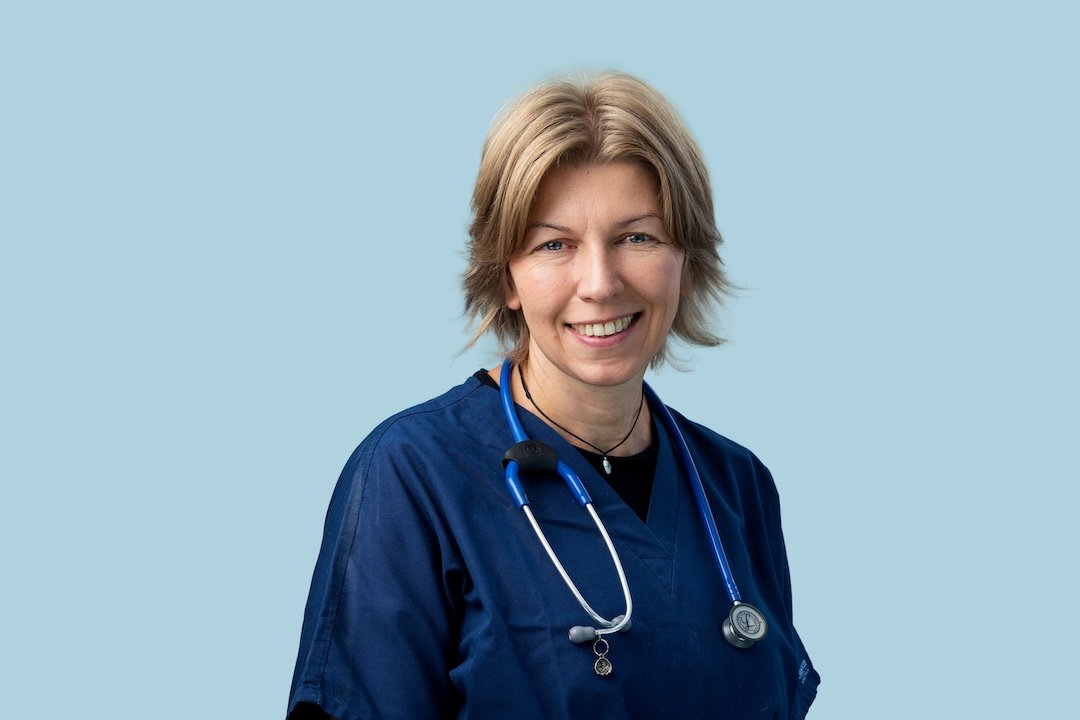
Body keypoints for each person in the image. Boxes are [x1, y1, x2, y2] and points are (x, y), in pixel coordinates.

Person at [286, 71, 819, 719]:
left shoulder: (737, 487)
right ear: (506, 277)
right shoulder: (414, 477)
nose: (599, 283)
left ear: (685, 257)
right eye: (554, 244)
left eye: (637, 237)